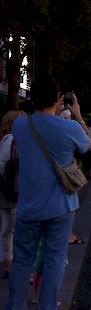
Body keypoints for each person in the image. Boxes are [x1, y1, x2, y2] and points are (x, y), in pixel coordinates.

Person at [3, 77, 91, 310]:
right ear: (58, 99)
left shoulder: (20, 126)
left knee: (22, 261)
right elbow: (89, 146)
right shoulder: (69, 128)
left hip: (28, 206)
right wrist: (77, 114)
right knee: (53, 261)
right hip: (60, 206)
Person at [0, 110, 26, 279]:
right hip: (16, 192)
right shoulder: (15, 141)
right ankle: (18, 267)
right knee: (19, 231)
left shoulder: (4, 140)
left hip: (4, 191)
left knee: (6, 230)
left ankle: (7, 265)